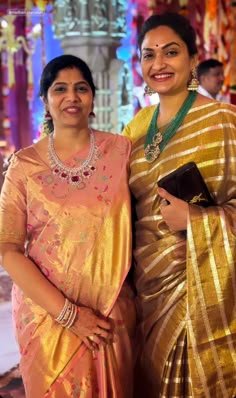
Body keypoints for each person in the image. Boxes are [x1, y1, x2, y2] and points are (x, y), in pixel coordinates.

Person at [0, 54, 136, 398]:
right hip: (47, 318)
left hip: (110, 314)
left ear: (92, 98)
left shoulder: (122, 152)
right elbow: (7, 248)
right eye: (60, 89)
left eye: (81, 88)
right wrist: (69, 314)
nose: (72, 96)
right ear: (45, 100)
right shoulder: (24, 166)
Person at [122, 12, 236, 398]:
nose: (158, 64)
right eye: (148, 54)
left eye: (170, 52)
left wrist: (199, 220)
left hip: (202, 285)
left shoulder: (224, 122)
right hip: (146, 290)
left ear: (191, 58)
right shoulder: (134, 129)